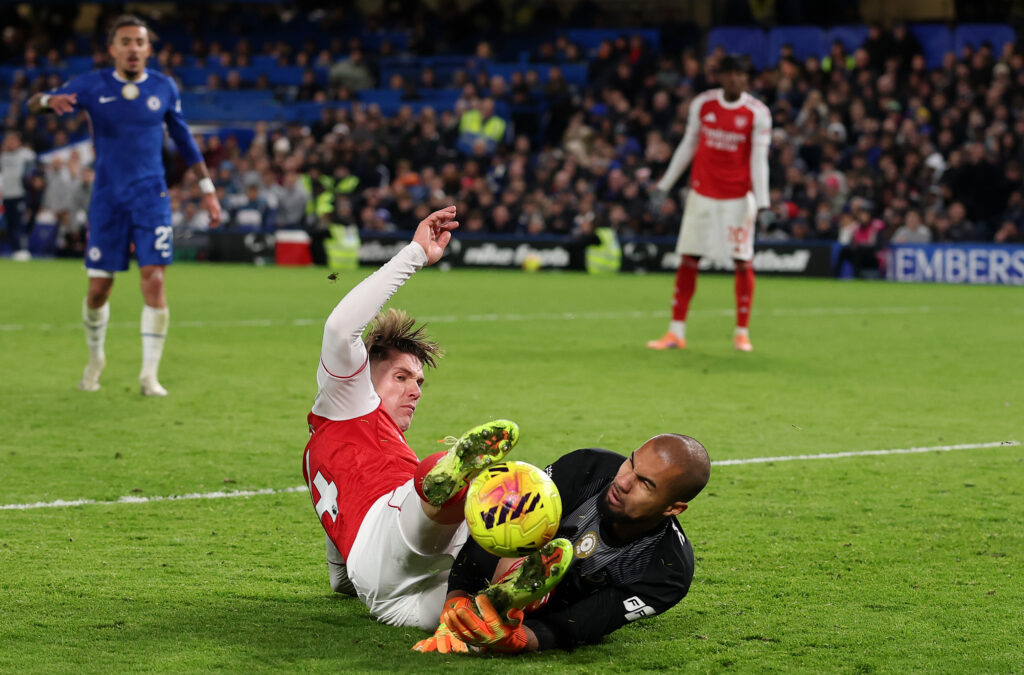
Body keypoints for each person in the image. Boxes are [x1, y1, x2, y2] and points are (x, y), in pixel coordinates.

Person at [303, 205, 551, 631]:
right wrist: (415, 253)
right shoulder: (349, 401)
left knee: (485, 613)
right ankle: (458, 484)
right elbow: (340, 329)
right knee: (448, 480)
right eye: (401, 376)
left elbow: (340, 576)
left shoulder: (331, 442)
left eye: (419, 381)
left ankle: (510, 590)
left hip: (388, 596)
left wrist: (346, 577)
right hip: (394, 528)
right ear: (361, 371)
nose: (415, 389)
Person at [26, 15, 222, 396]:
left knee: (155, 278)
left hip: (151, 197)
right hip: (107, 199)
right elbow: (34, 104)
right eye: (126, 41)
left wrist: (208, 188)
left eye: (140, 42)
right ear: (112, 49)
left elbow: (184, 140)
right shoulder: (92, 84)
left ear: (149, 50)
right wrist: (51, 99)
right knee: (99, 288)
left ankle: (149, 374)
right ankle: (96, 357)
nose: (133, 48)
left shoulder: (164, 87)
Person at [413, 433, 711, 653]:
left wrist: (517, 640)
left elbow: (584, 623)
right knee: (492, 515)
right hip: (465, 550)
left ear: (674, 508)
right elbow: (502, 529)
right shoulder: (588, 468)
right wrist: (458, 596)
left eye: (645, 483)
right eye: (631, 463)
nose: (623, 481)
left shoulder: (666, 571)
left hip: (537, 611)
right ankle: (453, 479)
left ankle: (504, 600)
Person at [647, 54, 771, 352]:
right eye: (730, 74)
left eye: (741, 75)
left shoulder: (758, 113)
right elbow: (689, 144)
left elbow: (759, 161)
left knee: (742, 261)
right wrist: (664, 185)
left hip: (737, 199)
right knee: (689, 258)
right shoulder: (703, 104)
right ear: (721, 77)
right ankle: (676, 332)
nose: (735, 79)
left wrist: (763, 203)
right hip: (701, 194)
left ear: (747, 79)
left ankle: (742, 332)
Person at [1, 130, 37, 257]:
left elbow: (33, 173)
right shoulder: (3, 156)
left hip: (20, 194)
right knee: (9, 225)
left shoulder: (26, 155)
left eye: (12, 140)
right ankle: (16, 250)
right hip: (6, 196)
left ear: (18, 141)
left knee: (19, 223)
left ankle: (23, 250)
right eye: (7, 140)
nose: (9, 143)